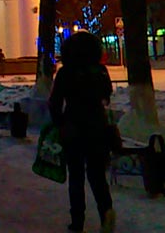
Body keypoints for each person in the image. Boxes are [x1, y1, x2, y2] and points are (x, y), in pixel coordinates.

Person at [50, 31, 116, 233]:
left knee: (76, 177)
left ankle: (77, 221)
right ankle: (106, 212)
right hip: (98, 127)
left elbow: (55, 103)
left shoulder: (65, 72)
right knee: (97, 175)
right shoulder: (100, 71)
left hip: (74, 129)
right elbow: (107, 95)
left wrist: (59, 123)